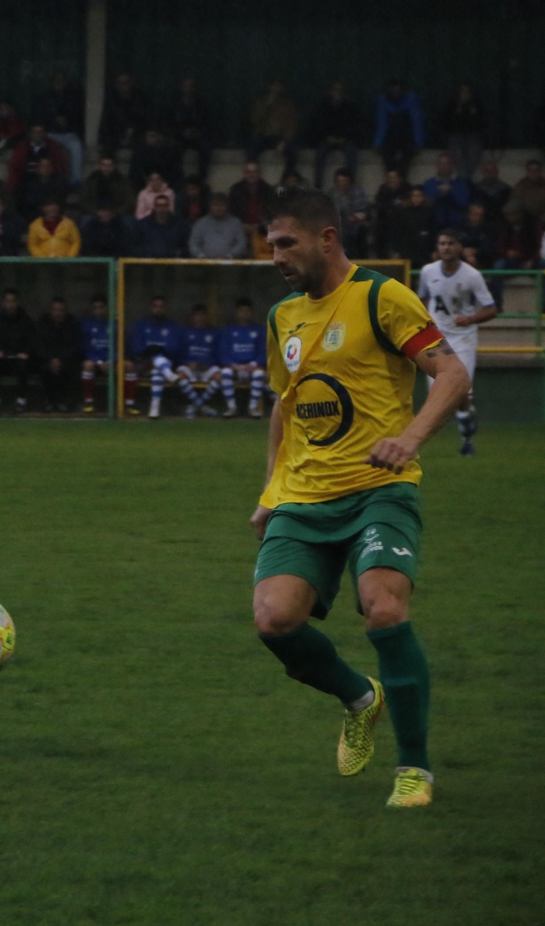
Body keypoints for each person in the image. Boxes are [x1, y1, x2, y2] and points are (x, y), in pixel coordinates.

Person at [250, 186, 469, 810]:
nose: (276, 256)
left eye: (286, 243)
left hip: (379, 490)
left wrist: (409, 438)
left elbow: (452, 374)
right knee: (274, 621)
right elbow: (284, 407)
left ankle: (415, 769)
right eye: (270, 245)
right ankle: (360, 699)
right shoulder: (282, 318)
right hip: (304, 497)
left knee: (384, 609)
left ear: (327, 238)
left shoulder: (382, 297)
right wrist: (271, 490)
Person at [417, 229, 497, 456]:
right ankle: (428, 439)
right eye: (442, 243)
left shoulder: (471, 275)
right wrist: (425, 317)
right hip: (436, 338)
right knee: (437, 392)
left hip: (463, 337)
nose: (446, 248)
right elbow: (421, 297)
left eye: (451, 243)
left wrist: (470, 319)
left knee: (461, 390)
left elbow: (491, 309)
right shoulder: (428, 271)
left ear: (459, 247)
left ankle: (466, 435)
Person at [129, 295, 181, 418]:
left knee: (157, 368)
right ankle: (169, 376)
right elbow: (136, 348)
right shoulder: (141, 325)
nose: (158, 309)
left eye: (161, 307)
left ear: (166, 309)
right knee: (157, 360)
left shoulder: (172, 326)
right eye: (155, 306)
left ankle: (154, 408)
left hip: (165, 364)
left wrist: (157, 350)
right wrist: (150, 352)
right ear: (150, 308)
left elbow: (174, 349)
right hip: (144, 364)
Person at [168, 304, 222, 419]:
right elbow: (178, 355)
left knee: (220, 376)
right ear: (191, 317)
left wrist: (205, 364)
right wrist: (188, 363)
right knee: (180, 376)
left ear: (207, 317)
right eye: (197, 316)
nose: (200, 318)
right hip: (189, 368)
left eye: (202, 315)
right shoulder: (184, 333)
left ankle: (195, 406)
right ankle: (202, 406)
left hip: (207, 367)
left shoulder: (214, 333)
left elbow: (219, 354)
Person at [217, 298, 267, 418]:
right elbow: (223, 352)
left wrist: (254, 364)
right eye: (241, 311)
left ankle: (253, 408)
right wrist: (232, 364)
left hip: (252, 368)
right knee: (225, 372)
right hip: (235, 368)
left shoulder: (259, 330)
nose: (244, 314)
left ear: (252, 312)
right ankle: (231, 407)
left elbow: (265, 352)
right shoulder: (228, 330)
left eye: (247, 311)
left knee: (259, 374)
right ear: (236, 312)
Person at [36, 297, 83, 412]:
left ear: (66, 311)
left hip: (67, 360)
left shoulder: (73, 323)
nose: (58, 313)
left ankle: (66, 402)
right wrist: (51, 360)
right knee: (43, 369)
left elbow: (75, 346)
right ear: (50, 310)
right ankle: (48, 402)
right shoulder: (42, 323)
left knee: (72, 369)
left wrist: (60, 360)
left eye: (61, 310)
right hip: (47, 360)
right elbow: (39, 345)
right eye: (55, 310)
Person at [79, 294, 114, 414]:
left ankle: (126, 404)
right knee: (87, 365)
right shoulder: (86, 325)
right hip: (94, 361)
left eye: (101, 307)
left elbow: (119, 347)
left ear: (107, 308)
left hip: (110, 362)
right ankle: (89, 401)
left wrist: (111, 360)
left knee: (128, 365)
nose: (98, 310)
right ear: (92, 309)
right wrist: (98, 362)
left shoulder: (114, 324)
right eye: (96, 307)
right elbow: (84, 347)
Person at [188, 193, 249, 259]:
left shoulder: (236, 223)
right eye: (215, 205)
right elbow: (193, 244)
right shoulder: (200, 223)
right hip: (205, 264)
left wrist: (229, 256)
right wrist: (201, 256)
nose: (218, 208)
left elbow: (241, 244)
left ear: (227, 206)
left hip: (230, 264)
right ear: (210, 206)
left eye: (222, 205)